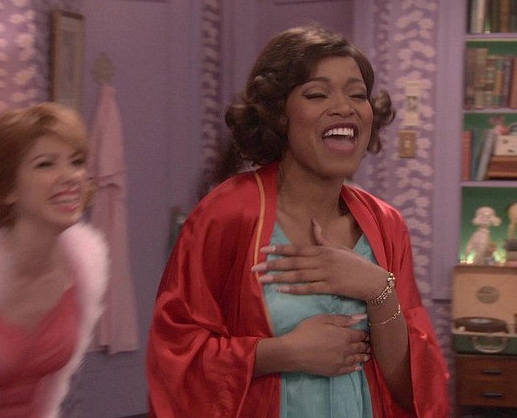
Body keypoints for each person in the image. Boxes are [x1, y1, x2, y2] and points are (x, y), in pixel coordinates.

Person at [147, 25, 449, 417]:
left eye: (357, 94)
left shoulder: (386, 224)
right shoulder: (226, 215)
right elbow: (174, 359)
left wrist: (378, 288)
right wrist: (283, 353)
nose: (344, 107)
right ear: (279, 115)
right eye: (317, 94)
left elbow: (411, 388)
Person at [0, 103, 109, 418]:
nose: (71, 177)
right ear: (6, 188)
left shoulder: (84, 266)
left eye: (76, 162)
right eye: (46, 164)